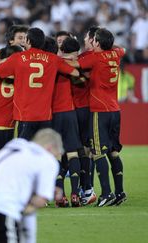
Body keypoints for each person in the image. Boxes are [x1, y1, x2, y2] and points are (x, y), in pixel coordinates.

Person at [0, 27, 79, 140]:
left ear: (29, 41)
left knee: (21, 150)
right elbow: (75, 73)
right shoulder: (53, 59)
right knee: (42, 151)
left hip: (24, 116)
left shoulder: (18, 58)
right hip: (45, 116)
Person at [0, 128, 63, 243]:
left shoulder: (15, 146)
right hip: (3, 206)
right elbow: (41, 200)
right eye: (56, 153)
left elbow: (15, 176)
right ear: (49, 148)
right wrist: (43, 197)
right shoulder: (47, 159)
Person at [70, 28, 127, 206]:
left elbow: (74, 65)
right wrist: (107, 43)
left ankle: (107, 193)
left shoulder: (95, 57)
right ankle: (119, 192)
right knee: (113, 151)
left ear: (97, 43)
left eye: (93, 40)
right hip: (115, 110)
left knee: (97, 152)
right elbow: (122, 48)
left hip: (99, 111)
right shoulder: (116, 54)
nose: (91, 42)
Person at [49, 36, 83, 207]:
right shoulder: (63, 63)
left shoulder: (48, 63)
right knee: (72, 153)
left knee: (56, 155)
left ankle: (60, 196)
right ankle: (76, 193)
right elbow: (77, 73)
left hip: (52, 114)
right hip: (69, 112)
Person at [71, 26, 99, 205]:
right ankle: (86, 187)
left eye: (89, 38)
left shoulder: (90, 58)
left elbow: (77, 68)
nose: (86, 40)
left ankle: (87, 187)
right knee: (83, 148)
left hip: (83, 108)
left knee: (84, 149)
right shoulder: (87, 57)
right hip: (78, 108)